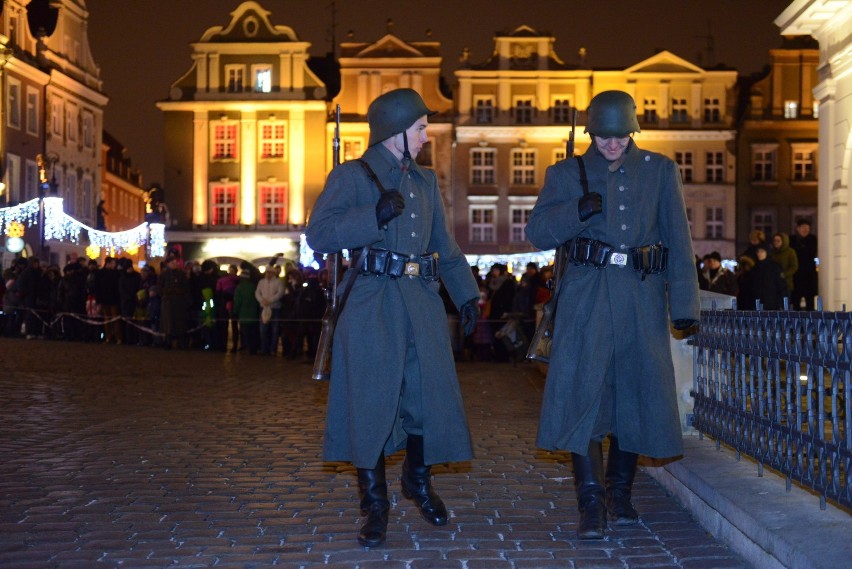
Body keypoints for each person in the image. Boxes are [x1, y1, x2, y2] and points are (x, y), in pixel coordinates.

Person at [305, 88, 480, 548]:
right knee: (369, 404)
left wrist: (465, 295)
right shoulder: (352, 175)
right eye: (420, 128)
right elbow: (319, 234)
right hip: (370, 302)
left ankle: (417, 481)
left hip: (420, 301)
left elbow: (443, 243)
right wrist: (372, 216)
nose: (426, 136)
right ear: (395, 132)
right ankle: (374, 505)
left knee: (428, 398)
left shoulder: (425, 181)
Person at [525, 90, 700, 539]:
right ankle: (590, 502)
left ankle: (620, 493)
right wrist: (575, 211)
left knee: (635, 396)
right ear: (591, 133)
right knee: (583, 393)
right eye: (604, 137)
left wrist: (684, 305)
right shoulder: (567, 173)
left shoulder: (660, 171)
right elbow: (537, 231)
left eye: (620, 136)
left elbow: (678, 241)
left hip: (641, 297)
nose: (612, 144)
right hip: (586, 297)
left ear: (633, 132)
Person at [790, 219, 818, 310]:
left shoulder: (813, 239)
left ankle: (811, 322)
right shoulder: (792, 240)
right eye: (803, 227)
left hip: (809, 275)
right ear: (797, 228)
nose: (805, 230)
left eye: (807, 228)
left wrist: (817, 267)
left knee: (810, 302)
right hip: (796, 276)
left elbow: (814, 256)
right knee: (796, 302)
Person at [769, 232, 798, 305]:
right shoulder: (772, 252)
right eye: (775, 240)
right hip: (773, 283)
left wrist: (784, 274)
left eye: (778, 241)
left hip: (786, 283)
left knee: (784, 303)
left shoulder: (790, 252)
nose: (776, 243)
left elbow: (794, 266)